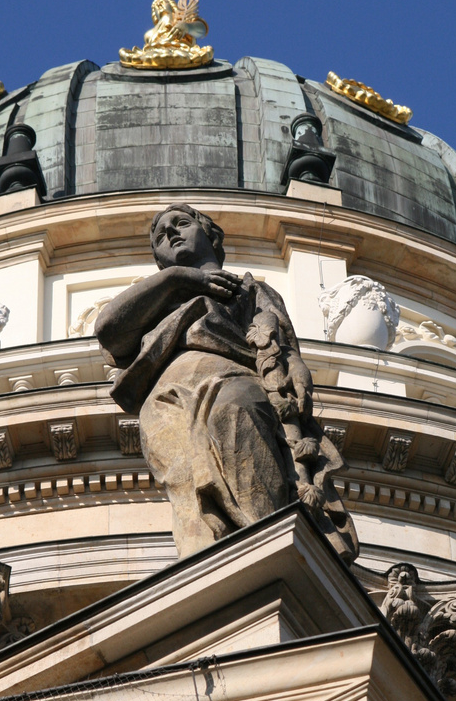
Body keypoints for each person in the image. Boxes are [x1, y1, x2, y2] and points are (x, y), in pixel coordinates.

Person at [95, 204, 358, 561]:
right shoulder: (158, 298)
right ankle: (212, 576)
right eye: (160, 235)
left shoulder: (250, 291)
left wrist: (295, 368)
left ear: (211, 235)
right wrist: (178, 280)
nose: (170, 233)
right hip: (168, 398)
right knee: (189, 492)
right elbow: (109, 330)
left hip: (234, 374)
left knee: (237, 411)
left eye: (182, 223)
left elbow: (283, 345)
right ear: (158, 258)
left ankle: (270, 559)